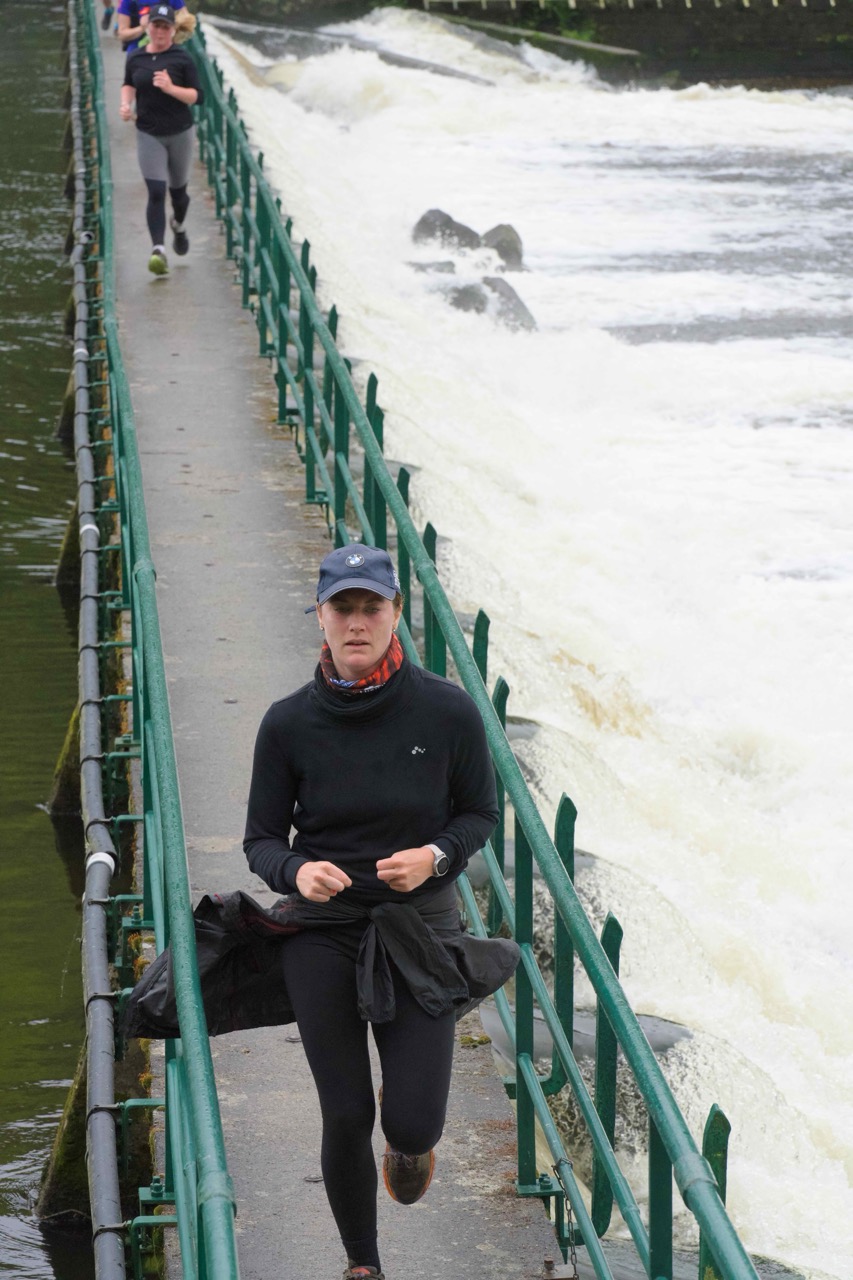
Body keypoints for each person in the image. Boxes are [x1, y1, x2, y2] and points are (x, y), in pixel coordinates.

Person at [243, 543, 517, 1280]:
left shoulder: (447, 710)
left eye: (372, 608)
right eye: (343, 608)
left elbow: (479, 814)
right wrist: (297, 871)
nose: (357, 623)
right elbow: (261, 840)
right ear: (321, 617)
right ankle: (362, 1266)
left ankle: (409, 1131)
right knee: (344, 1112)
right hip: (322, 930)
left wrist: (436, 857)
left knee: (412, 1123)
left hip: (420, 926)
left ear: (395, 613)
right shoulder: (286, 724)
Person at [120, 3, 201, 276]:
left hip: (179, 133)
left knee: (179, 195)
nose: (160, 32)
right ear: (149, 28)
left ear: (173, 30)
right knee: (156, 191)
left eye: (165, 27)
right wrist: (125, 104)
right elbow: (128, 83)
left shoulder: (182, 58)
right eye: (156, 26)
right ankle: (158, 250)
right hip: (149, 133)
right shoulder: (136, 58)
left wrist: (171, 88)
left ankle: (178, 225)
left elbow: (197, 96)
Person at [116, 0, 185, 56]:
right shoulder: (129, 1)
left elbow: (186, 22)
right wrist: (143, 28)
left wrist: (168, 25)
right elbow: (122, 34)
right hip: (137, 51)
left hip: (167, 51)